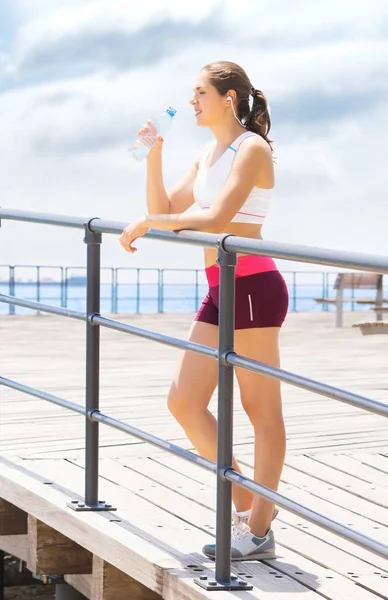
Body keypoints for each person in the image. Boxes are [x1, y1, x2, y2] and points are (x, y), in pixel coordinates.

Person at [120, 60, 289, 561]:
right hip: (220, 286)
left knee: (261, 411)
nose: (191, 101)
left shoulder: (251, 149)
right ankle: (251, 505)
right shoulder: (207, 154)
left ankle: (256, 531)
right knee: (183, 401)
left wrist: (150, 221)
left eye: (199, 93)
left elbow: (215, 217)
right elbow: (169, 211)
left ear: (228, 99)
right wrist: (154, 159)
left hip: (254, 286)